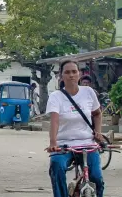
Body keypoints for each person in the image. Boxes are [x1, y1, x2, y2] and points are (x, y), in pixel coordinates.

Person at [46, 60, 104, 197]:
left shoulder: (89, 92)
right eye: (67, 72)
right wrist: (53, 143)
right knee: (57, 167)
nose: (71, 75)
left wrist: (98, 132)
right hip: (64, 144)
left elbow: (97, 113)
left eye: (74, 71)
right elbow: (54, 121)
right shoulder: (56, 97)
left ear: (79, 74)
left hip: (87, 143)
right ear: (61, 75)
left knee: (96, 177)